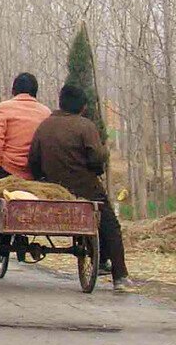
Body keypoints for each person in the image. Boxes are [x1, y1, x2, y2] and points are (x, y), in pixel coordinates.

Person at [29, 84, 132, 291]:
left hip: (52, 190)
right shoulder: (86, 126)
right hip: (85, 190)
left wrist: (43, 179)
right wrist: (102, 159)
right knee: (110, 225)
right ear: (83, 107)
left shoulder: (44, 127)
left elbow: (33, 161)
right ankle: (119, 276)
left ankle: (102, 261)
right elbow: (96, 159)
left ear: (61, 103)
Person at [0, 72, 51, 179]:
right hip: (35, 172)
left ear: (13, 91)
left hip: (6, 171)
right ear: (35, 92)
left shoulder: (3, 108)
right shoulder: (46, 112)